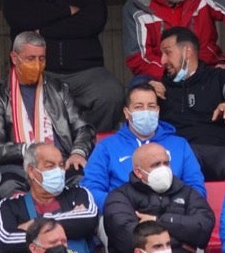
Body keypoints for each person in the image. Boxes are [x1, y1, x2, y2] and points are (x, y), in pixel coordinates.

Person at [2, 0, 123, 132]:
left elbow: (94, 21)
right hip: (40, 72)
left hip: (86, 71)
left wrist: (43, 31)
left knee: (111, 94)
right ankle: (48, 148)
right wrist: (67, 10)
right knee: (19, 103)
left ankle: (89, 144)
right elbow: (20, 18)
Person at [0, 31, 94, 199]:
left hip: (60, 164)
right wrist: (28, 150)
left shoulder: (59, 90)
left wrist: (78, 152)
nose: (37, 64)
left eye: (41, 59)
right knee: (10, 190)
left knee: (84, 188)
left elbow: (83, 128)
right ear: (14, 58)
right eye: (31, 58)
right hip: (17, 167)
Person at [78, 82, 206, 211]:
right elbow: (91, 189)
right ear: (126, 113)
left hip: (172, 216)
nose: (146, 111)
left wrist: (167, 211)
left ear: (158, 111)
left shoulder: (180, 145)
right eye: (139, 107)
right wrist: (124, 209)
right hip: (121, 216)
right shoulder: (106, 147)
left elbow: (196, 189)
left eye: (151, 106)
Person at [101, 143, 214, 253]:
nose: (163, 169)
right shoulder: (119, 197)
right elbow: (130, 239)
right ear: (138, 172)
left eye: (166, 163)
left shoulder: (187, 192)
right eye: (156, 165)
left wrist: (158, 220)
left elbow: (203, 227)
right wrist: (181, 241)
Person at [0, 142, 102, 253]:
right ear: (31, 171)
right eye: (50, 166)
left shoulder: (79, 194)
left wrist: (35, 225)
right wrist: (70, 222)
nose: (59, 171)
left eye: (61, 165)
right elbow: (7, 241)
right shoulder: (9, 206)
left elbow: (88, 219)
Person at [155, 27, 225, 181]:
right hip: (180, 150)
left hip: (221, 149)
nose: (162, 61)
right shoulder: (160, 88)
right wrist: (147, 92)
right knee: (175, 166)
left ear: (187, 51)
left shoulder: (219, 75)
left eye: (168, 53)